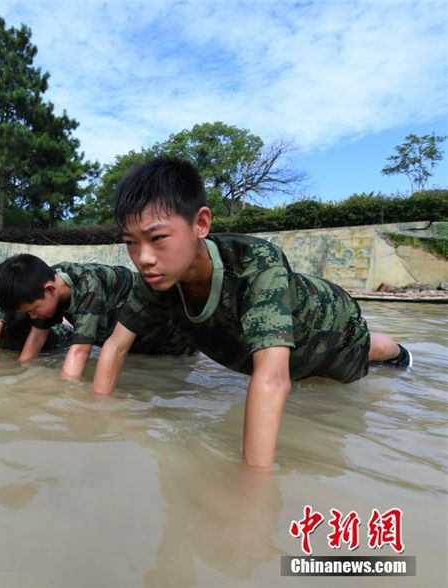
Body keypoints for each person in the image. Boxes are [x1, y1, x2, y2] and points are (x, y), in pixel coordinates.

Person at [92, 156, 412, 469]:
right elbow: (116, 346)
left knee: (365, 350)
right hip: (286, 357)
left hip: (330, 328)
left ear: (200, 224)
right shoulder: (155, 282)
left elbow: (272, 380)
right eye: (131, 242)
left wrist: (253, 485)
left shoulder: (254, 262)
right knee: (303, 379)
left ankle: (399, 352)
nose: (143, 257)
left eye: (158, 238)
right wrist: (95, 418)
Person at [0, 254, 195, 380]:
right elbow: (36, 336)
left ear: (50, 290)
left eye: (33, 311)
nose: (33, 316)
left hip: (170, 345)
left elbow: (79, 352)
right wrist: (20, 377)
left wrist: (65, 400)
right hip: (130, 344)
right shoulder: (45, 286)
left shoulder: (88, 285)